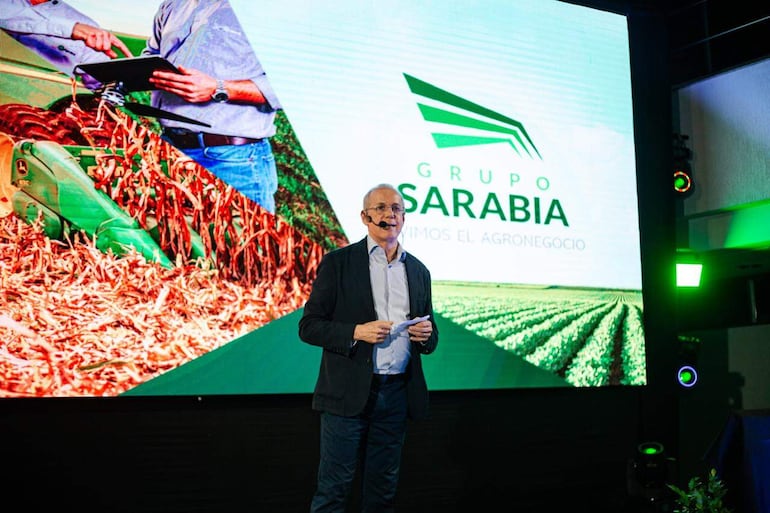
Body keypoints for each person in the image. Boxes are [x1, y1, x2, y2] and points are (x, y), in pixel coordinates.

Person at [299, 183, 439, 513]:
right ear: (365, 217)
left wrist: (426, 335)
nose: (389, 214)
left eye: (396, 209)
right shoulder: (339, 264)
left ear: (403, 218)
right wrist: (357, 332)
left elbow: (431, 338)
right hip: (348, 394)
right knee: (334, 489)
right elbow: (309, 326)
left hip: (397, 395)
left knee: (383, 491)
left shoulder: (419, 271)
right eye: (380, 208)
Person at [142, 0, 282, 213]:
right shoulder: (173, 4)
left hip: (233, 160)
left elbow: (297, 85)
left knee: (238, 244)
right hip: (169, 150)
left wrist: (218, 88)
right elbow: (151, 53)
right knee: (173, 240)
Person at [0, 0, 133, 89]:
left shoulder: (87, 25)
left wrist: (115, 78)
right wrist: (72, 29)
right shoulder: (8, 5)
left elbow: (96, 75)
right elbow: (11, 16)